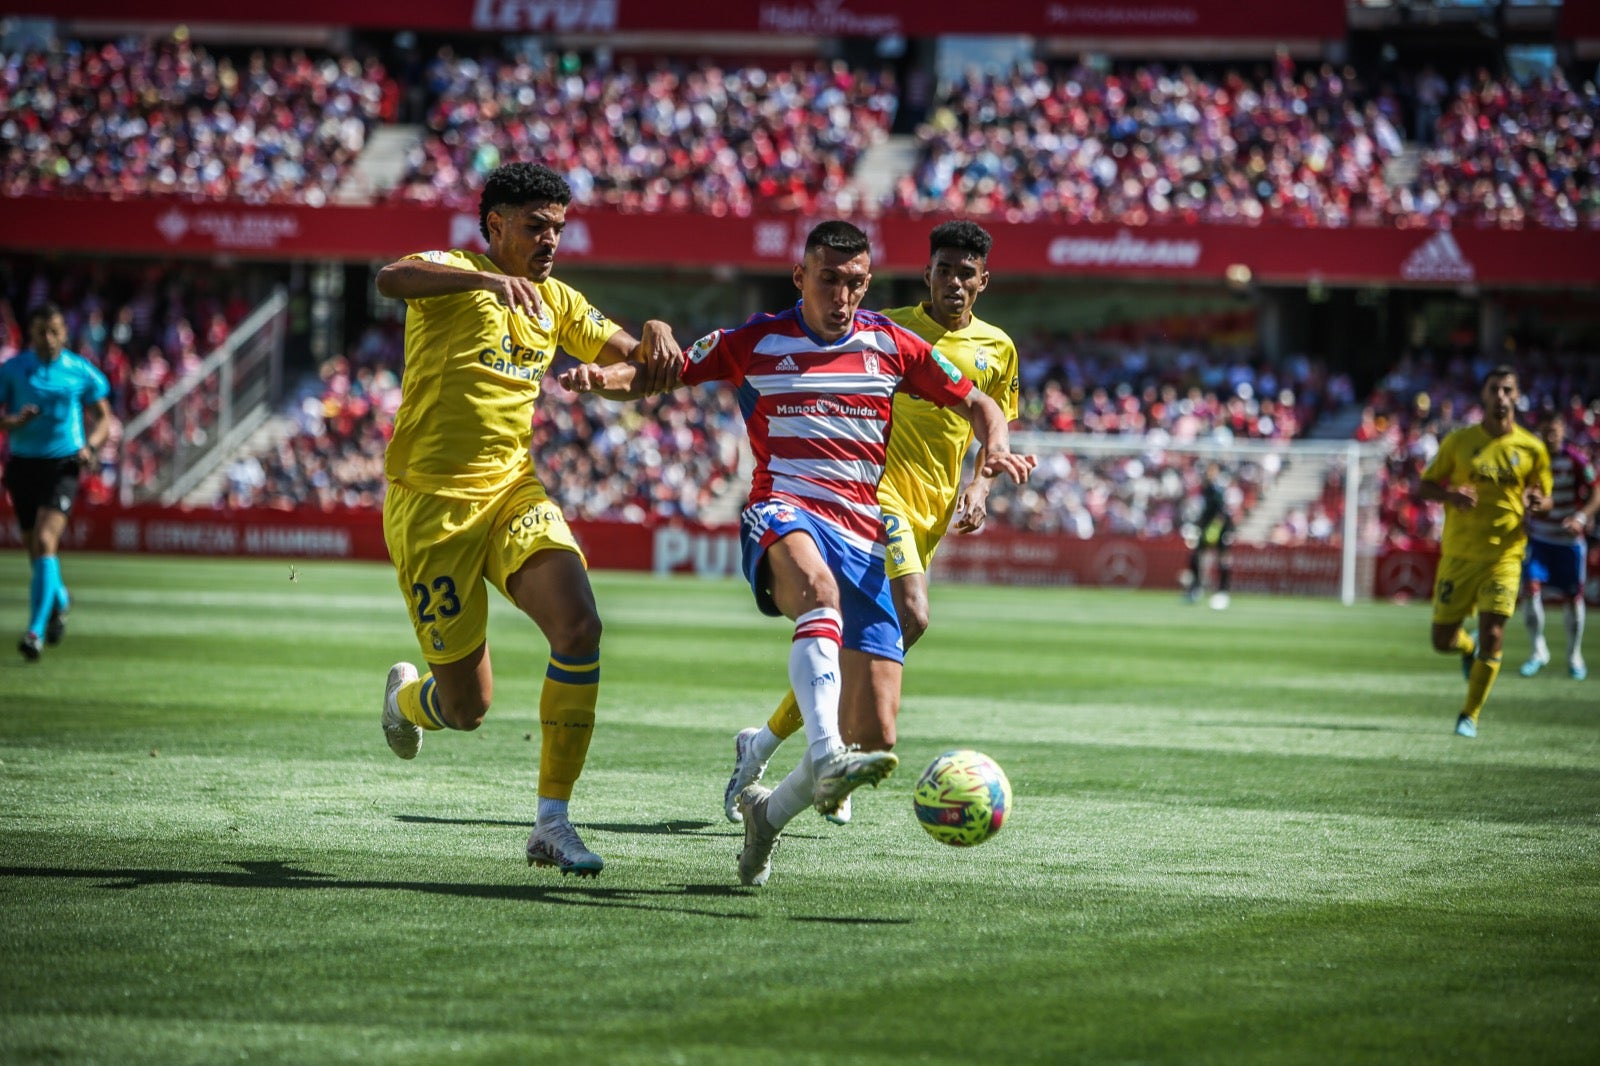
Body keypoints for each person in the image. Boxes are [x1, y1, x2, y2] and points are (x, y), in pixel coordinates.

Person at [560, 220, 1034, 885]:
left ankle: (769, 814)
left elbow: (980, 402)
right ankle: (824, 749)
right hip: (783, 511)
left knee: (879, 736)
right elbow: (657, 375)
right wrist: (598, 378)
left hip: (862, 532)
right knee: (819, 595)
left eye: (856, 283)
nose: (843, 295)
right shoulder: (756, 339)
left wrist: (994, 449)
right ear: (801, 279)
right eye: (830, 280)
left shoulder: (891, 343)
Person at [374, 162, 679, 877]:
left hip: (513, 490)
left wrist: (646, 346)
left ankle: (552, 821)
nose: (549, 241)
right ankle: (407, 701)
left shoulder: (558, 300)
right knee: (467, 707)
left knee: (580, 625)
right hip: (432, 507)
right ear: (495, 227)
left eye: (558, 229)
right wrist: (484, 281)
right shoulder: (453, 271)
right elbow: (391, 278)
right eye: (535, 226)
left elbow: (640, 367)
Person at [719, 219, 1020, 828]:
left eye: (967, 273)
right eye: (943, 270)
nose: (954, 283)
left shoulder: (998, 348)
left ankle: (773, 747)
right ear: (926, 274)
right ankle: (826, 754)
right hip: (875, 501)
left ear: (984, 281)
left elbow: (991, 422)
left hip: (930, 512)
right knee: (913, 614)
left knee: (862, 660)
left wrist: (981, 484)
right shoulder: (886, 328)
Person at [1418, 366, 1551, 738]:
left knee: (1495, 633)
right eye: (1495, 389)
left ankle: (1469, 715)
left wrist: (1537, 501)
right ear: (1484, 395)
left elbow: (1545, 494)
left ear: (1517, 395)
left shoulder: (1532, 448)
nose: (1502, 397)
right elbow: (1424, 486)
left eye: (1508, 390)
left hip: (1505, 556)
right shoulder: (1459, 442)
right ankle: (1466, 646)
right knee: (1441, 640)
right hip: (1459, 554)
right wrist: (1450, 495)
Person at [0, 302, 115, 661]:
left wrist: (90, 447)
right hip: (22, 467)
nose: (48, 338)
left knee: (47, 541)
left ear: (64, 333)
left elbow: (104, 419)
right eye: (40, 332)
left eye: (54, 331)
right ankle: (61, 599)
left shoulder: (81, 372)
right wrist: (13, 423)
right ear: (30, 334)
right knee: (36, 551)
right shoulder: (13, 370)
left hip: (63, 466)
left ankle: (34, 632)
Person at [1518, 409, 1600, 680]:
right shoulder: (1531, 460)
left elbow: (1596, 492)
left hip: (1568, 541)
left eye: (1554, 431)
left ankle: (1574, 655)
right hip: (1539, 538)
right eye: (1544, 431)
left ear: (1563, 431)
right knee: (1530, 589)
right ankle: (1537, 649)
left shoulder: (1575, 459)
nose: (1549, 436)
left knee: (1572, 598)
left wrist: (1581, 516)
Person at [1184, 461, 1236, 610]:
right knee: (1196, 557)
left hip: (1220, 527)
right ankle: (1196, 588)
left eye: (1212, 470)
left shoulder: (1221, 487)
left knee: (1223, 559)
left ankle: (1223, 592)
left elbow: (1223, 511)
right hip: (1207, 528)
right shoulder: (1204, 488)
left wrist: (1224, 528)